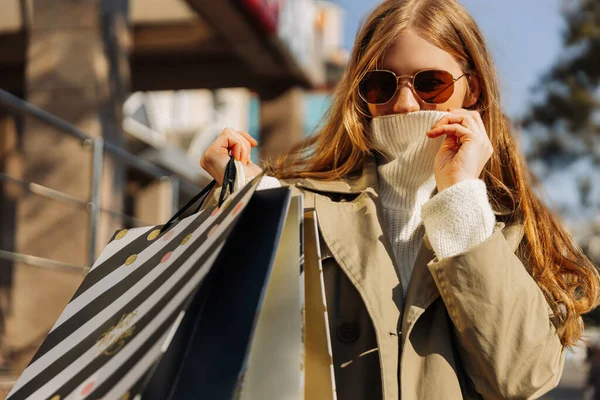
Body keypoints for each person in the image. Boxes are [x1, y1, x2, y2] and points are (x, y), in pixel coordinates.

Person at [199, 0, 600, 398]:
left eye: (430, 83)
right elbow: (226, 335)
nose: (406, 104)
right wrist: (242, 201)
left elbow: (522, 377)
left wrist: (460, 196)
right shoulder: (299, 203)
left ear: (471, 88)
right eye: (381, 84)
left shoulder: (510, 226)